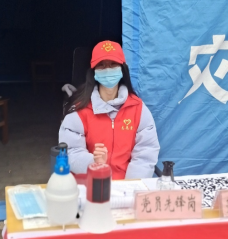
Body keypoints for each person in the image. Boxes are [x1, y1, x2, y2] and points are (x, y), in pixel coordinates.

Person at [59, 40, 160, 179]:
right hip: (90, 182)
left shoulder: (138, 109)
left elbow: (146, 153)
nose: (107, 70)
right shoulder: (78, 110)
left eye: (113, 64)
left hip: (127, 185)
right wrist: (94, 163)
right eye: (101, 65)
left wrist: (130, 185)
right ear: (93, 72)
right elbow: (70, 151)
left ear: (122, 69)